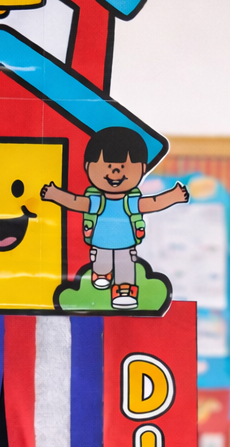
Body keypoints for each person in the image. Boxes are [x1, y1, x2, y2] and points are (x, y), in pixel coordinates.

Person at [41, 125, 189, 309]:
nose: (115, 172)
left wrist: (173, 196)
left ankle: (124, 291)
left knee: (125, 266)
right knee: (102, 261)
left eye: (123, 167)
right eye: (109, 166)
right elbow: (76, 201)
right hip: (100, 242)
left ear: (142, 169)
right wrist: (54, 194)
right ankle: (101, 273)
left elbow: (153, 202)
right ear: (88, 167)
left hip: (126, 244)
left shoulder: (130, 201)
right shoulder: (97, 200)